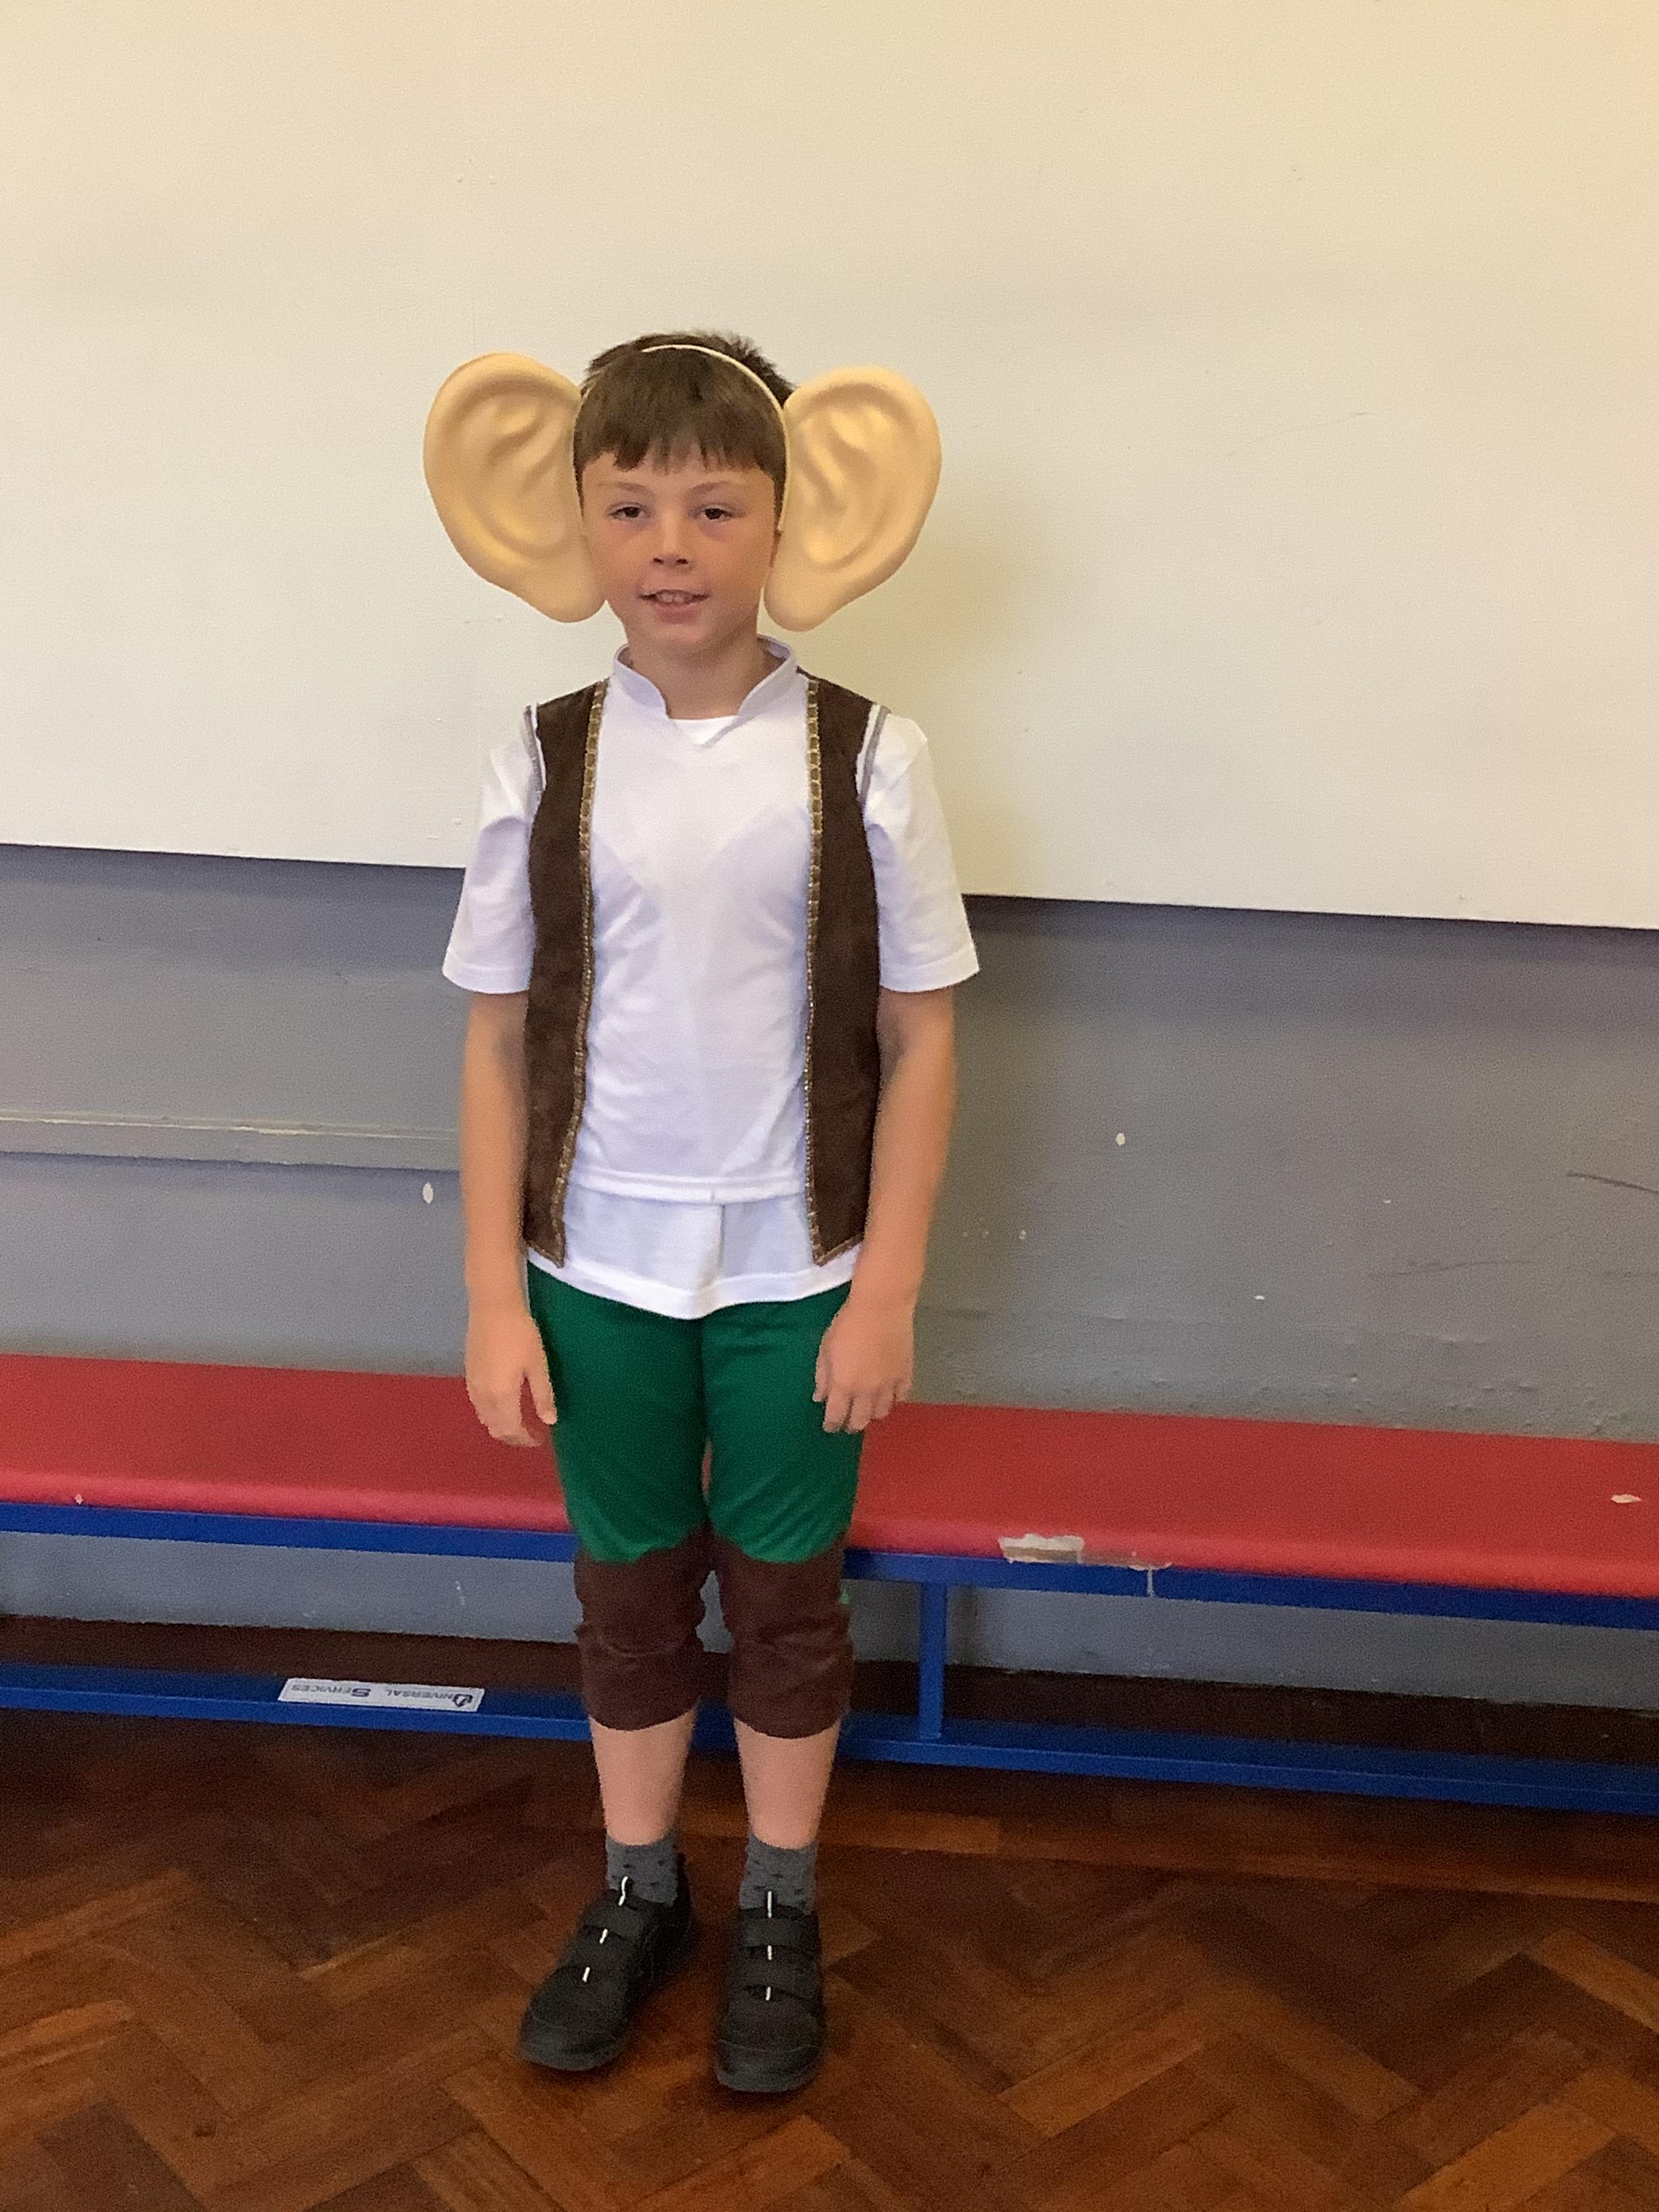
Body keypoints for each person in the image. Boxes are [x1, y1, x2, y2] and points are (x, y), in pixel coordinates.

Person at [434, 329, 977, 2093]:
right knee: (632, 1596)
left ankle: (782, 1905)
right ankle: (642, 1886)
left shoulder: (868, 755)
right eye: (632, 506)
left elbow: (922, 1034)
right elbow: (496, 1040)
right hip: (594, 1265)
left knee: (789, 1601)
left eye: (715, 506)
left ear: (788, 524)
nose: (671, 545)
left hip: (801, 1270)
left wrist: (886, 1289)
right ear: (574, 524)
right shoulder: (546, 758)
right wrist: (496, 1297)